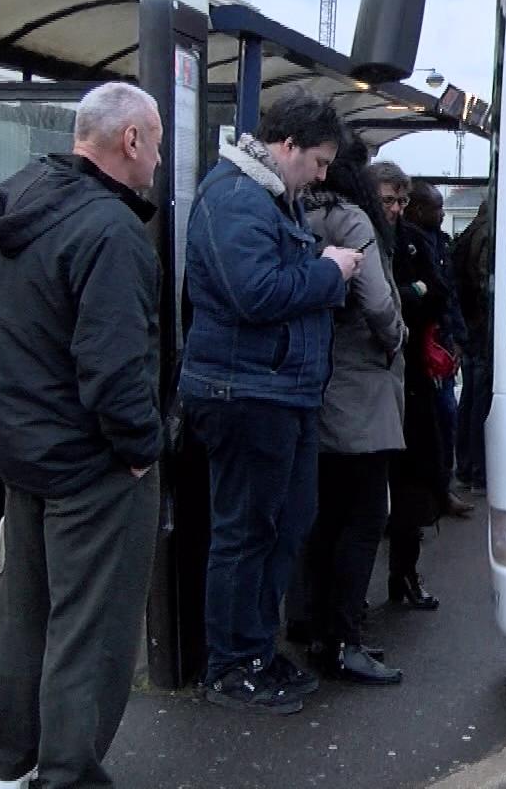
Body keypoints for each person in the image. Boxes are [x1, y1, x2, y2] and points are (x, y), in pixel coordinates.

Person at [0, 82, 167, 789]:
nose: (157, 158)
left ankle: (11, 765)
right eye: (156, 141)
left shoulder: (23, 202)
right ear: (130, 141)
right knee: (92, 634)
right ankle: (68, 774)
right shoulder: (112, 232)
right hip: (95, 468)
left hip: (25, 452)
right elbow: (116, 368)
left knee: (27, 621)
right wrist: (143, 450)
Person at [180, 88, 362, 715]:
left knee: (285, 523)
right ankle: (231, 664)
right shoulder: (234, 197)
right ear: (286, 147)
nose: (321, 175)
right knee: (247, 530)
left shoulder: (264, 198)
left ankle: (256, 649)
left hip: (279, 391)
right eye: (316, 161)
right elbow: (255, 293)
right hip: (246, 392)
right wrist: (331, 269)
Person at [289, 144, 408, 685]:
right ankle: (344, 641)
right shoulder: (351, 219)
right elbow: (379, 301)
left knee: (320, 517)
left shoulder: (295, 211)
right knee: (363, 519)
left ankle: (311, 625)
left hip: (311, 382)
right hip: (359, 387)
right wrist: (396, 338)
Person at [388, 180, 461, 610]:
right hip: (376, 382)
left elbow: (437, 294)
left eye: (399, 200)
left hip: (412, 378)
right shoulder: (370, 238)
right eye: (389, 200)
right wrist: (410, 294)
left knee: (415, 476)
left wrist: (410, 294)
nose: (395, 209)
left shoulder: (414, 242)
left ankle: (406, 571)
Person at [452, 200, 493, 494]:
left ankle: (465, 466)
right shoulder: (489, 235)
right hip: (481, 326)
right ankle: (479, 469)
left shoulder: (468, 233)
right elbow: (483, 282)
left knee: (468, 396)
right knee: (481, 398)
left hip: (467, 324)